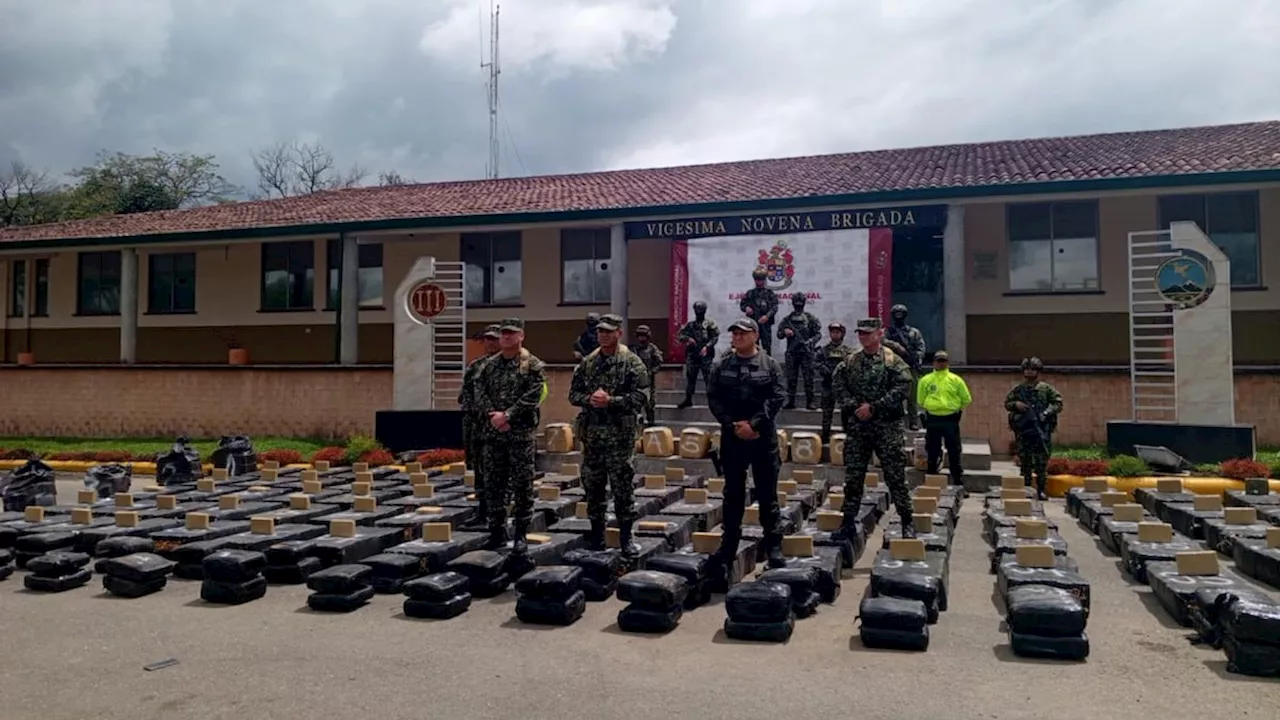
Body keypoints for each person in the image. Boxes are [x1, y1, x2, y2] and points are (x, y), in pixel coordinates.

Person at [706, 317, 788, 574]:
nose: (738, 337)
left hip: (762, 438)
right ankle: (728, 545)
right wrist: (732, 425)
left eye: (743, 333)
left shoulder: (770, 365)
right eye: (735, 333)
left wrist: (754, 425)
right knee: (733, 495)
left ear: (755, 335)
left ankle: (773, 545)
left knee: (767, 494)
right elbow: (714, 398)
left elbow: (777, 397)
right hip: (732, 438)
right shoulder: (721, 365)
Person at [568, 314, 651, 555]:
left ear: (619, 333)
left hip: (619, 438)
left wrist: (611, 401)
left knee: (622, 487)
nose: (603, 335)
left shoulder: (632, 362)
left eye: (608, 331)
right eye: (600, 331)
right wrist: (589, 399)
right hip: (593, 437)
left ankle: (626, 537)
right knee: (593, 488)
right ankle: (597, 536)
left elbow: (641, 396)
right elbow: (573, 394)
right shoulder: (588, 362)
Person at [831, 317, 915, 540]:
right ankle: (847, 522)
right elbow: (838, 386)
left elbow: (903, 388)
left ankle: (907, 521)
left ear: (880, 333)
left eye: (868, 333)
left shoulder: (892, 361)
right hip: (859, 428)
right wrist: (855, 407)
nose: (863, 336)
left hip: (887, 428)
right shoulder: (850, 362)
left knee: (896, 477)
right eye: (860, 333)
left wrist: (875, 407)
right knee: (854, 478)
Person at [473, 318, 548, 553]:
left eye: (511, 333)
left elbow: (534, 396)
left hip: (519, 435)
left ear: (521, 336)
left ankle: (520, 534)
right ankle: (496, 533)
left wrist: (508, 416)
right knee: (494, 485)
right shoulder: (488, 366)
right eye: (503, 333)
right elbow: (478, 392)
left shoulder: (533, 365)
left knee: (522, 485)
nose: (506, 337)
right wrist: (493, 416)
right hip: (494, 434)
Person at [457, 324, 502, 525]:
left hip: (499, 426)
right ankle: (483, 512)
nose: (490, 343)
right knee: (480, 471)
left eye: (494, 338)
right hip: (476, 427)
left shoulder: (510, 364)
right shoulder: (476, 366)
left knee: (500, 473)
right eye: (487, 339)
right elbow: (465, 395)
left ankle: (499, 515)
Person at [1006, 357, 1063, 501]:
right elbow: (1007, 402)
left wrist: (1046, 412)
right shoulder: (1019, 389)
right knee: (1025, 462)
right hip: (1024, 431)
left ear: (1038, 371)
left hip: (1041, 430)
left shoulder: (1045, 389)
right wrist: (1016, 405)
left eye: (1032, 369)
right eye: (1027, 369)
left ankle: (1041, 490)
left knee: (1041, 463)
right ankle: (1025, 489)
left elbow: (1058, 403)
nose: (1029, 372)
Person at [917, 350, 972, 486]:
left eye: (943, 361)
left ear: (947, 363)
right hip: (933, 419)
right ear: (933, 362)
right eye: (938, 361)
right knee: (932, 451)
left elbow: (966, 399)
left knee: (954, 451)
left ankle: (958, 482)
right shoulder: (926, 380)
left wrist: (954, 407)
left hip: (950, 420)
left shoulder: (956, 380)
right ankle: (931, 482)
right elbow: (920, 400)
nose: (941, 363)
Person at [883, 304, 926, 431]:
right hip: (893, 367)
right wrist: (897, 347)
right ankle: (898, 421)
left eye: (901, 314)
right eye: (896, 314)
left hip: (910, 366)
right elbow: (882, 342)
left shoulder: (914, 332)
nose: (898, 317)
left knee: (912, 397)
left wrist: (917, 357)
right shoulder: (888, 332)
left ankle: (913, 421)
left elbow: (921, 347)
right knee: (895, 396)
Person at [775, 292, 821, 410]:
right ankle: (791, 401)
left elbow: (818, 334)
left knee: (809, 378)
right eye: (797, 304)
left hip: (806, 352)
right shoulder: (788, 319)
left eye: (800, 305)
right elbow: (779, 334)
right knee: (791, 378)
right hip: (792, 352)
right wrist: (785, 332)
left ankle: (810, 401)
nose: (798, 307)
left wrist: (811, 341)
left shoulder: (810, 318)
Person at [675, 300, 719, 408]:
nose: (698, 313)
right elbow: (679, 335)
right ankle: (688, 399)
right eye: (697, 311)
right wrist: (688, 339)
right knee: (691, 379)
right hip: (692, 355)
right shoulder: (690, 325)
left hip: (705, 355)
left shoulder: (709, 324)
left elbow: (715, 337)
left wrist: (707, 346)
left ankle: (712, 401)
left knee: (708, 379)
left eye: (700, 311)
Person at [817, 321, 855, 444]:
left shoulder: (848, 351)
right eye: (833, 332)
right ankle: (826, 435)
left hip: (842, 386)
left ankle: (847, 435)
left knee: (846, 412)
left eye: (837, 332)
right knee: (827, 412)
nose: (835, 334)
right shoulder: (824, 350)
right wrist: (822, 368)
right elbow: (814, 362)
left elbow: (853, 364)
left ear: (842, 334)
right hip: (828, 385)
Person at [740, 267, 779, 355]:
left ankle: (768, 366)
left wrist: (767, 316)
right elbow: (742, 304)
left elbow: (775, 307)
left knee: (767, 347)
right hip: (753, 324)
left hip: (765, 324)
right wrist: (746, 308)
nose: (758, 282)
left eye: (760, 279)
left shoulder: (769, 293)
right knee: (752, 346)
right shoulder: (750, 293)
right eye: (757, 279)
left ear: (764, 280)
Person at [631, 325, 664, 427]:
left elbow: (659, 363)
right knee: (634, 404)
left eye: (644, 336)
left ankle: (651, 423)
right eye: (640, 336)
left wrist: (651, 372)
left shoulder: (652, 348)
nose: (641, 339)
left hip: (649, 381)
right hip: (635, 381)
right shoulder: (633, 349)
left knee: (650, 404)